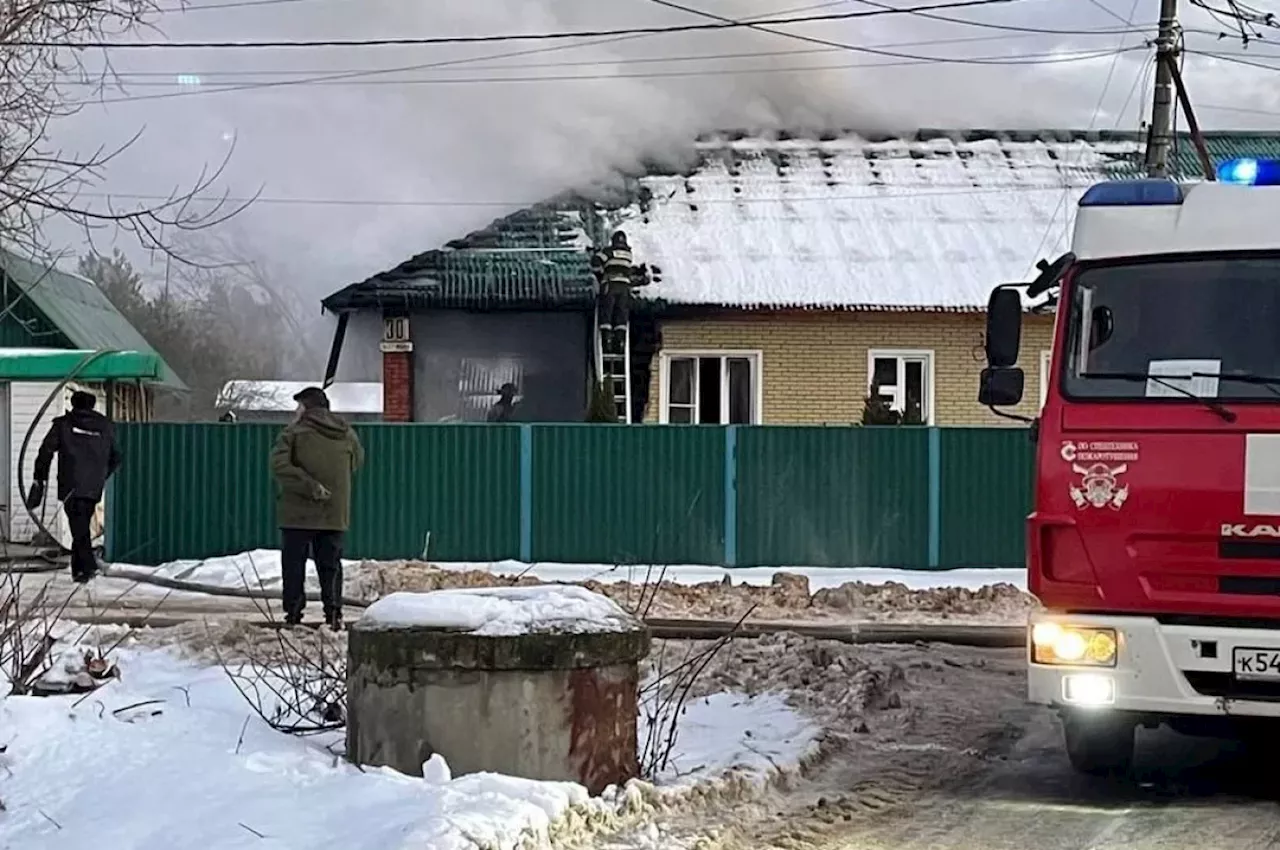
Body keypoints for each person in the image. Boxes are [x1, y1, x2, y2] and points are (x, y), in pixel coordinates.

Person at [269, 386, 364, 630]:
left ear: (306, 408)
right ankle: (333, 615)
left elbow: (278, 465)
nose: (295, 411)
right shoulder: (347, 433)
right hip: (334, 512)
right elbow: (357, 462)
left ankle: (293, 615)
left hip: (297, 514)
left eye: (298, 406)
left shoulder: (293, 433)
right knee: (330, 565)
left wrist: (309, 485)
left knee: (294, 566)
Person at [28, 390, 121, 583]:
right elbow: (117, 456)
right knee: (81, 524)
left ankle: (87, 567)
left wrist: (40, 478)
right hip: (93, 486)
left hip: (70, 483)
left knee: (78, 526)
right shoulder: (105, 426)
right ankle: (79, 570)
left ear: (73, 403)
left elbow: (45, 451)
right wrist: (102, 475)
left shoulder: (63, 424)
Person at [591, 231, 637, 352]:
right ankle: (620, 342)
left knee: (607, 311)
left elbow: (596, 261)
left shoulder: (609, 252)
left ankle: (607, 342)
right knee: (621, 313)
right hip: (625, 288)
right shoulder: (629, 253)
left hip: (610, 285)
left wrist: (600, 275)